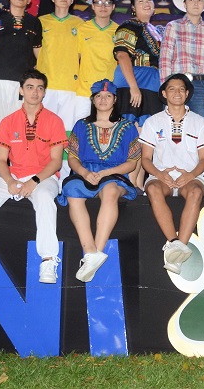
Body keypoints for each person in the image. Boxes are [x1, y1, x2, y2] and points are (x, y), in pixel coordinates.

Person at [0, 70, 67, 284]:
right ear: (21, 90)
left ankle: (48, 260)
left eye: (40, 88)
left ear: (44, 93)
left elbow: (55, 161)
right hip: (13, 174)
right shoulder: (9, 121)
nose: (35, 92)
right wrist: (10, 181)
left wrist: (33, 182)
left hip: (44, 177)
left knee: (45, 199)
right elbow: (0, 161)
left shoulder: (54, 121)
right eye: (30, 87)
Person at [58, 79, 141, 282]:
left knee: (111, 191)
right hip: (85, 173)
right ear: (93, 100)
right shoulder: (81, 125)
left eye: (108, 96)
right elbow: (73, 157)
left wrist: (106, 173)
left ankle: (99, 247)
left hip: (115, 174)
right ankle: (90, 252)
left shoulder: (127, 126)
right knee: (72, 191)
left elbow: (131, 162)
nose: (103, 100)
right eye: (98, 96)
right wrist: (84, 173)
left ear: (114, 100)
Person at [140, 74, 204, 274]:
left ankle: (179, 248)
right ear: (164, 93)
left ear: (187, 94)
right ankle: (174, 243)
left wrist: (190, 175)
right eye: (172, 89)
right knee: (152, 189)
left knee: (196, 192)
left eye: (181, 89)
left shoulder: (200, 121)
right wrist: (160, 175)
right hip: (162, 177)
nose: (177, 93)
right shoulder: (153, 122)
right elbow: (145, 159)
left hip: (191, 176)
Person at [159, 0, 204, 119]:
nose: (196, 3)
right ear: (185, 4)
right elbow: (165, 59)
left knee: (198, 129)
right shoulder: (173, 26)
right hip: (176, 83)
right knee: (173, 125)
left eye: (200, 0)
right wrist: (166, 87)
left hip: (201, 86)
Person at [0, 0, 43, 132]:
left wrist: (41, 72)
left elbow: (38, 51)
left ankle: (16, 156)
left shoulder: (34, 22)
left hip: (21, 80)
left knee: (18, 123)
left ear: (29, 0)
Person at [37, 0, 83, 139]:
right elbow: (35, 49)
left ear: (72, 1)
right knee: (44, 127)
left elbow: (81, 54)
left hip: (70, 85)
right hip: (47, 84)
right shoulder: (41, 22)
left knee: (66, 129)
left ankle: (63, 164)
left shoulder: (80, 24)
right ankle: (42, 162)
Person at [113, 0, 163, 126]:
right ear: (133, 8)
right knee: (129, 128)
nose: (146, 3)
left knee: (149, 129)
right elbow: (122, 55)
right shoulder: (128, 26)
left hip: (152, 81)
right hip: (134, 78)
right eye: (140, 1)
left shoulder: (156, 30)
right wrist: (133, 87)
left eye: (149, 0)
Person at [75, 0, 120, 121]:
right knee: (81, 131)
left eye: (107, 3)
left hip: (108, 92)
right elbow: (75, 58)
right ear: (93, 6)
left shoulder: (119, 31)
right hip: (84, 91)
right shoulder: (82, 29)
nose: (103, 6)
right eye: (99, 2)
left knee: (106, 132)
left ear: (113, 7)